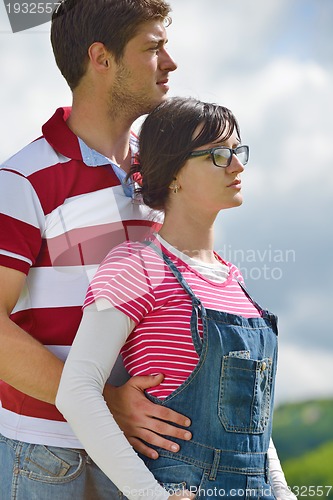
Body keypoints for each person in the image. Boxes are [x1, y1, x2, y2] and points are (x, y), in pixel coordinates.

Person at [0, 1, 195, 498]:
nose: (170, 64)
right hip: (50, 453)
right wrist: (106, 402)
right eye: (153, 49)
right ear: (100, 58)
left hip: (146, 451)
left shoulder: (163, 175)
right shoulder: (23, 179)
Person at [56, 97, 296, 500]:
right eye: (219, 155)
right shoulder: (136, 265)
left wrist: (282, 491)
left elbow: (252, 417)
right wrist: (149, 496)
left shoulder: (233, 281)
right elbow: (77, 390)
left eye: (238, 152)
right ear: (173, 174)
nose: (237, 165)